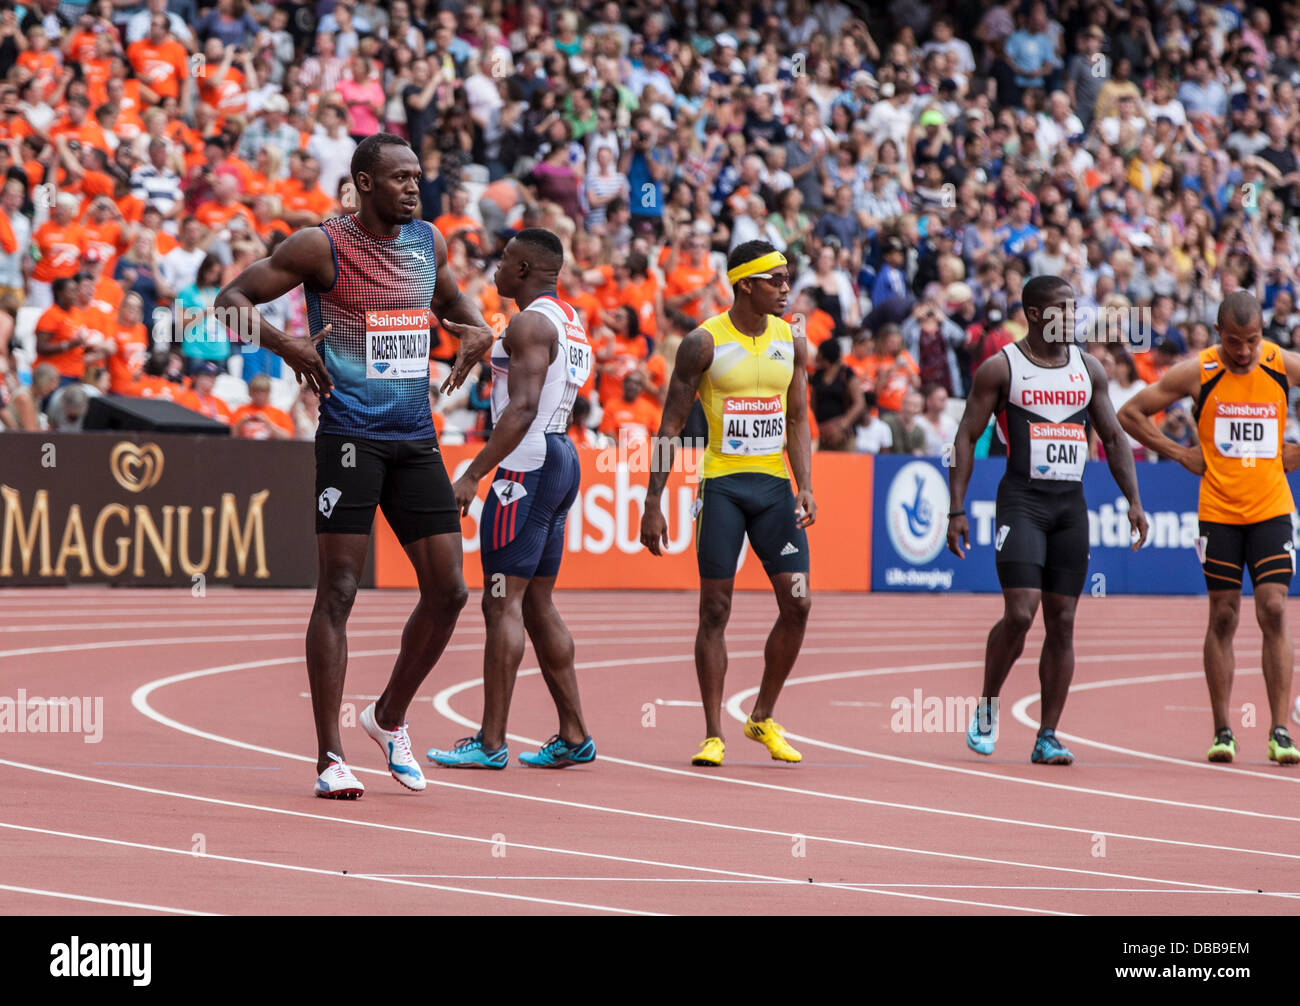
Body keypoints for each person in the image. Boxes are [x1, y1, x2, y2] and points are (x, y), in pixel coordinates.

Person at [215, 133, 495, 799]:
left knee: (451, 591)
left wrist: (477, 329)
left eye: (416, 176)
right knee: (338, 591)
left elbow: (456, 305)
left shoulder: (430, 242)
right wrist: (289, 347)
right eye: (398, 178)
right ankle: (330, 757)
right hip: (349, 437)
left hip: (414, 436)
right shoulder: (322, 245)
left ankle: (388, 717)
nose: (412, 187)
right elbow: (229, 301)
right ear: (364, 183)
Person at [948, 275, 1149, 765]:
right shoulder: (1001, 369)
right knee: (1021, 613)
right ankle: (989, 703)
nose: (1074, 317)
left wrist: (1134, 501)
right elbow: (962, 438)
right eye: (1063, 309)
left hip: (1069, 508)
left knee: (1062, 622)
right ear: (1035, 315)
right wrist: (956, 507)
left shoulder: (1089, 369)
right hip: (1021, 502)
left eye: (1075, 308)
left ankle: (1047, 734)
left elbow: (1115, 438)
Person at [640, 240, 815, 767]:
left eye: (788, 279)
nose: (787, 289)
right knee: (715, 609)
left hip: (774, 491)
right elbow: (670, 425)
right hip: (721, 488)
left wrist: (805, 483)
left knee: (799, 602)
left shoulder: (792, 340)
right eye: (777, 280)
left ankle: (761, 716)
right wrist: (653, 500)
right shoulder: (702, 342)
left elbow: (798, 418)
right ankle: (713, 733)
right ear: (746, 285)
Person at [426, 229, 596, 769]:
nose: (495, 268)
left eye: (503, 261)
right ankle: (574, 735)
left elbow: (520, 409)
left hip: (526, 463)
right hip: (560, 455)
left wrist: (474, 473)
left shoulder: (527, 323)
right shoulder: (568, 320)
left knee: (501, 601)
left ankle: (491, 742)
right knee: (537, 601)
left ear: (523, 269)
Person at [1119, 291, 1300, 764]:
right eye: (1235, 342)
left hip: (1271, 508)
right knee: (1223, 615)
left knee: (1274, 609)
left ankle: (1280, 730)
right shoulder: (1198, 371)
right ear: (1218, 335)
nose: (1244, 353)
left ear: (1265, 335)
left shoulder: (1280, 363)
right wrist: (1180, 454)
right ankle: (1223, 729)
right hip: (1218, 512)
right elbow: (1130, 414)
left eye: (1253, 342)